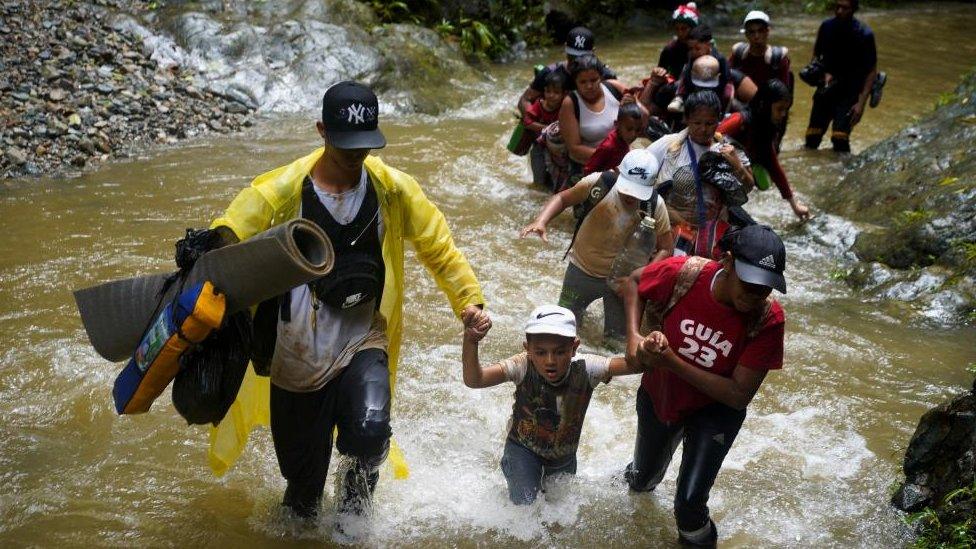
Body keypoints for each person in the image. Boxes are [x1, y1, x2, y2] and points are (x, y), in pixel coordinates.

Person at [207, 81, 487, 534]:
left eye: (365, 145)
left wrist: (468, 302)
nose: (357, 155)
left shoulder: (392, 189)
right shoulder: (281, 192)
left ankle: (354, 522)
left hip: (363, 337)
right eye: (345, 145)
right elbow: (227, 234)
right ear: (321, 131)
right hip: (296, 351)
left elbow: (440, 247)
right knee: (302, 495)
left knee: (370, 432)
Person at [620, 224, 788, 547]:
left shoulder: (768, 320)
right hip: (662, 394)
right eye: (750, 284)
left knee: (689, 505)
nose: (756, 296)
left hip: (716, 412)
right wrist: (633, 338)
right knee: (641, 480)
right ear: (727, 262)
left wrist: (672, 362)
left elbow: (738, 395)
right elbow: (636, 281)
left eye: (765, 289)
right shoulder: (685, 275)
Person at [460, 304, 648, 505]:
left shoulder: (588, 368)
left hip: (564, 456)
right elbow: (475, 380)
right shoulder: (522, 365)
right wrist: (471, 340)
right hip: (522, 450)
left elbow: (637, 365)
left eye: (559, 352)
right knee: (526, 508)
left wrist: (648, 345)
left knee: (559, 514)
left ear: (574, 348)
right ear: (528, 349)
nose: (550, 361)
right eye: (540, 352)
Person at [520, 149, 673, 346]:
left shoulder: (655, 205)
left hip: (621, 282)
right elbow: (563, 199)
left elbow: (666, 248)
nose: (631, 196)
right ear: (618, 172)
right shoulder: (598, 184)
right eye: (628, 189)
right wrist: (541, 221)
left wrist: (640, 276)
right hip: (581, 270)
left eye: (638, 192)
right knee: (563, 331)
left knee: (615, 343)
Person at [646, 91, 754, 259]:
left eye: (710, 123)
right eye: (697, 123)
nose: (703, 129)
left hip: (710, 230)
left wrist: (737, 165)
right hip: (671, 226)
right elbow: (639, 174)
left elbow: (748, 188)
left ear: (719, 120)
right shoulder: (668, 145)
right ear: (686, 119)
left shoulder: (729, 149)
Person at [718, 79, 811, 221]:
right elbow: (711, 136)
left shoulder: (766, 131)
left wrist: (795, 206)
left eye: (786, 110)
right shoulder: (739, 121)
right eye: (779, 109)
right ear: (764, 105)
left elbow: (774, 168)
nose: (783, 114)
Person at [803, 0, 878, 152]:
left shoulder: (864, 34)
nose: (839, 11)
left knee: (840, 139)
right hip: (827, 86)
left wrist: (861, 104)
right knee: (812, 138)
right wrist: (821, 74)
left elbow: (871, 70)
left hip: (851, 91)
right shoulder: (826, 27)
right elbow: (816, 56)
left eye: (845, 8)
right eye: (837, 7)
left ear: (854, 9)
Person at [558, 54, 630, 181]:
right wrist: (612, 158)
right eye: (583, 82)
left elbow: (642, 121)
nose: (589, 86)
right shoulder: (570, 103)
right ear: (575, 82)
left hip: (620, 159)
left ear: (601, 77)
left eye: (593, 80)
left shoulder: (614, 88)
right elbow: (574, 149)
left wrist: (632, 104)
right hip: (586, 165)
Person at [518, 26, 617, 115]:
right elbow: (525, 99)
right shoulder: (549, 73)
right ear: (565, 48)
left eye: (582, 57)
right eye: (572, 57)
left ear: (593, 52)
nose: (576, 61)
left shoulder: (606, 75)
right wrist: (532, 118)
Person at [525, 71, 568, 190]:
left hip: (558, 150)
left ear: (564, 94)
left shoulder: (566, 107)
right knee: (539, 180)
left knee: (559, 179)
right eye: (548, 91)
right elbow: (527, 122)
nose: (551, 95)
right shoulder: (540, 105)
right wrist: (547, 128)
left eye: (556, 92)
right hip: (539, 147)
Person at [729, 11, 792, 90]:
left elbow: (784, 94)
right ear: (746, 34)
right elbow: (728, 83)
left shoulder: (777, 57)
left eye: (760, 31)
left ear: (767, 32)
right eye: (752, 32)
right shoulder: (738, 54)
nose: (756, 36)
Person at [582, 101, 643, 175]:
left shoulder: (623, 139)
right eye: (629, 129)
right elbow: (588, 170)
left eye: (638, 130)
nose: (633, 134)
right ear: (617, 125)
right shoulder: (608, 147)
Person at [658, 2, 700, 79]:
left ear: (693, 29)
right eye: (677, 29)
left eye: (684, 29)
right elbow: (661, 72)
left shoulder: (701, 47)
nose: (680, 33)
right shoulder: (669, 49)